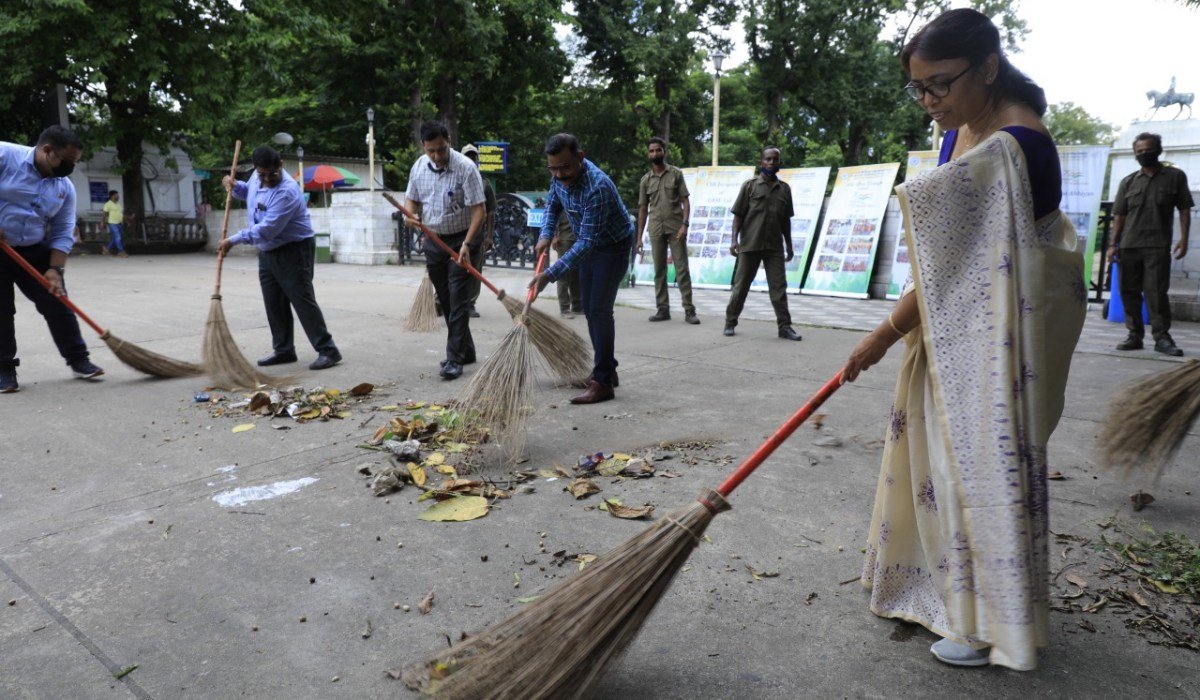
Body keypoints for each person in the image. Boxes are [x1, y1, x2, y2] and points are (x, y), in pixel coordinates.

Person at [841, 8, 1086, 671]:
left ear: (986, 68)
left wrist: (881, 337)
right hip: (949, 325)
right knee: (936, 462)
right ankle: (936, 585)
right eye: (917, 88)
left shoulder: (1019, 148)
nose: (928, 103)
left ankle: (986, 623)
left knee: (978, 464)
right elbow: (941, 258)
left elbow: (961, 269)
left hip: (994, 344)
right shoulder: (963, 131)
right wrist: (903, 317)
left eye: (940, 86)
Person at [529, 134, 634, 404]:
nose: (560, 175)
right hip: (588, 243)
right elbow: (552, 206)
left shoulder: (597, 187)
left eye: (565, 167)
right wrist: (545, 234)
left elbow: (586, 244)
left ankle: (603, 383)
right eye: (553, 168)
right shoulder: (558, 177)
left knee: (599, 309)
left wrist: (549, 275)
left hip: (612, 246)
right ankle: (607, 369)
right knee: (589, 307)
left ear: (580, 157)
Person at [0, 125, 104, 392]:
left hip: (34, 249)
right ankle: (4, 370)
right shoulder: (4, 155)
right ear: (47, 151)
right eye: (67, 161)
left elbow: (63, 229)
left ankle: (79, 360)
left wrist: (55, 269)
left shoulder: (64, 187)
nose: (71, 167)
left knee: (58, 301)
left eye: (75, 162)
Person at [219, 145, 341, 371]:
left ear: (280, 167)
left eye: (271, 174)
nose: (267, 179)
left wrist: (232, 240)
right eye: (262, 174)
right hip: (268, 251)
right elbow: (251, 193)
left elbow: (267, 229)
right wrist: (235, 187)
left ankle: (328, 350)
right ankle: (284, 350)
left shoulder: (287, 191)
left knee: (301, 299)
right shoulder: (258, 179)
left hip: (293, 249)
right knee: (273, 301)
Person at [404, 121, 486, 380]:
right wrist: (409, 215)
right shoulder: (418, 167)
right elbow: (412, 200)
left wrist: (467, 244)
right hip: (433, 240)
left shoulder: (466, 168)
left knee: (458, 297)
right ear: (423, 147)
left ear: (449, 140)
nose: (437, 157)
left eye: (441, 149)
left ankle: (454, 359)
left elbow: (479, 211)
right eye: (431, 151)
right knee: (448, 299)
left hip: (461, 239)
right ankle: (466, 350)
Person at [1109, 132, 1191, 356]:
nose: (1144, 154)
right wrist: (1112, 245)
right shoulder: (1128, 182)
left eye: (1148, 149)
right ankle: (1134, 335)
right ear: (1135, 154)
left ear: (1159, 150)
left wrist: (1184, 239)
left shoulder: (1175, 177)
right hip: (1128, 245)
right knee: (1129, 291)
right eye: (1140, 151)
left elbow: (1184, 209)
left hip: (1157, 245)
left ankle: (1162, 338)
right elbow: (1119, 217)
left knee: (1156, 292)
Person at [722, 147, 802, 340]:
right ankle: (730, 322)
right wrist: (734, 240)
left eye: (775, 160)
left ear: (779, 163)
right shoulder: (749, 186)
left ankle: (785, 327)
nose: (771, 163)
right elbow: (738, 215)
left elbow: (786, 221)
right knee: (741, 287)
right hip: (750, 245)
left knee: (779, 289)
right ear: (761, 162)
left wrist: (789, 245)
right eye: (768, 159)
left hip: (774, 247)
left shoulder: (784, 189)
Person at [636, 136, 698, 324]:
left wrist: (685, 225)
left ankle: (689, 310)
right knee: (659, 270)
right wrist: (639, 238)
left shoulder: (676, 174)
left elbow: (685, 201)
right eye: (651, 151)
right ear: (649, 154)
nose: (654, 153)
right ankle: (662, 309)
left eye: (658, 150)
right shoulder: (645, 180)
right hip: (655, 229)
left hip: (675, 228)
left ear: (664, 151)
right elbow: (643, 209)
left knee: (681, 269)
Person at [461, 144, 496, 319]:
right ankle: (446, 302)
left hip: (477, 236)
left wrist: (489, 236)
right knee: (454, 269)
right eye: (467, 156)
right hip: (457, 233)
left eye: (473, 157)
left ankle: (471, 303)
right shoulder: (455, 180)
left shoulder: (484, 184)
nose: (471, 160)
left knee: (475, 270)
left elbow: (490, 213)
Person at [551, 214, 582, 318]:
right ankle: (564, 308)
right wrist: (554, 235)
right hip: (564, 239)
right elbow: (552, 213)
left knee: (576, 273)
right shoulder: (561, 197)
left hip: (578, 239)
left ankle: (577, 306)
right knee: (563, 273)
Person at [101, 190, 128, 257]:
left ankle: (106, 250)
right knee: (118, 237)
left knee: (115, 238)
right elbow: (104, 214)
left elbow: (121, 214)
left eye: (118, 195)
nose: (118, 196)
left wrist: (127, 221)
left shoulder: (118, 204)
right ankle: (121, 251)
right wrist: (102, 222)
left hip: (119, 223)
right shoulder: (108, 204)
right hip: (112, 223)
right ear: (112, 196)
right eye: (116, 195)